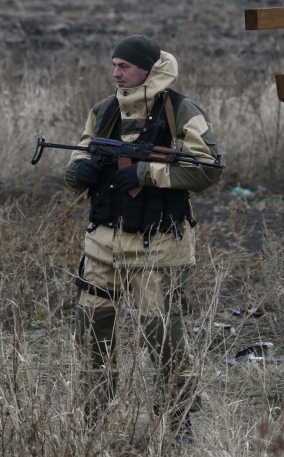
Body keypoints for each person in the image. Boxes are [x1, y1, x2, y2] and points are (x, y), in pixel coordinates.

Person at [64, 35, 222, 443]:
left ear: (148, 69)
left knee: (164, 338)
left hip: (160, 247)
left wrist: (146, 173)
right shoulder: (104, 111)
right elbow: (78, 154)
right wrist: (78, 172)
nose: (116, 73)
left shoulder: (179, 110)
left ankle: (179, 421)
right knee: (92, 333)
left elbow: (207, 171)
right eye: (114, 65)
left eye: (125, 66)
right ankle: (92, 419)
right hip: (102, 245)